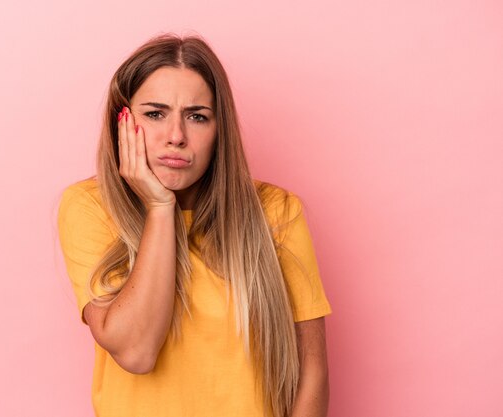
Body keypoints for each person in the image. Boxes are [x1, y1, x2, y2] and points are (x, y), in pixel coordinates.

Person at [57, 33, 332, 417]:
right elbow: (136, 352)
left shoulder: (277, 212)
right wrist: (158, 206)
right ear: (122, 122)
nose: (176, 137)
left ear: (220, 131)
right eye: (155, 114)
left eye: (197, 116)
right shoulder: (89, 207)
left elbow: (312, 370)